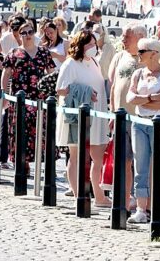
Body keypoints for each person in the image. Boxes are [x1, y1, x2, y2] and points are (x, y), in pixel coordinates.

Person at [56, 31, 111, 207]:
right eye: (89, 44)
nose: (93, 48)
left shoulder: (94, 62)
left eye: (94, 44)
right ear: (80, 45)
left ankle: (99, 196)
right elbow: (61, 89)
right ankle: (79, 195)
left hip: (98, 115)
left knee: (98, 156)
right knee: (76, 155)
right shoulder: (71, 64)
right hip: (78, 116)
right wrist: (84, 92)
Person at [126, 38, 160, 223]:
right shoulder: (138, 73)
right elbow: (130, 97)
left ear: (153, 53)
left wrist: (143, 99)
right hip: (140, 122)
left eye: (141, 51)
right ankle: (141, 208)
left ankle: (159, 207)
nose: (138, 54)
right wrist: (150, 97)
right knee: (140, 166)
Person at [0, 21, 56, 174]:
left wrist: (53, 93)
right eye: (23, 32)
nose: (27, 35)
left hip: (39, 98)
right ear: (19, 35)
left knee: (38, 130)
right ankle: (22, 161)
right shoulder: (14, 53)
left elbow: (51, 73)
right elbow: (6, 74)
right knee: (20, 130)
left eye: (30, 32)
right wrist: (4, 94)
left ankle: (39, 160)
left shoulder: (44, 52)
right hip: (19, 98)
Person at [108, 23, 147, 208]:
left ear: (139, 37)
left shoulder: (148, 58)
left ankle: (144, 203)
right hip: (121, 118)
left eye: (127, 36)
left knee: (142, 163)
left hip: (140, 119)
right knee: (123, 161)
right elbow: (114, 85)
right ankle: (123, 200)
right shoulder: (120, 56)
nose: (122, 40)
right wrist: (112, 113)